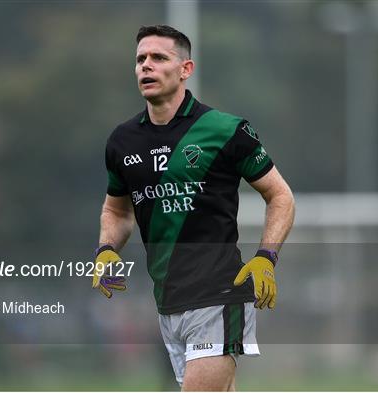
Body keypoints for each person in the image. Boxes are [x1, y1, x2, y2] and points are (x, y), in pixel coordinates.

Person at [93, 24, 295, 391]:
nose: (146, 66)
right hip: (168, 305)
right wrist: (107, 250)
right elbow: (116, 211)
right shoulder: (122, 141)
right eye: (140, 59)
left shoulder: (224, 130)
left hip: (219, 294)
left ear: (186, 69)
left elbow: (280, 196)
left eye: (158, 58)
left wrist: (266, 257)